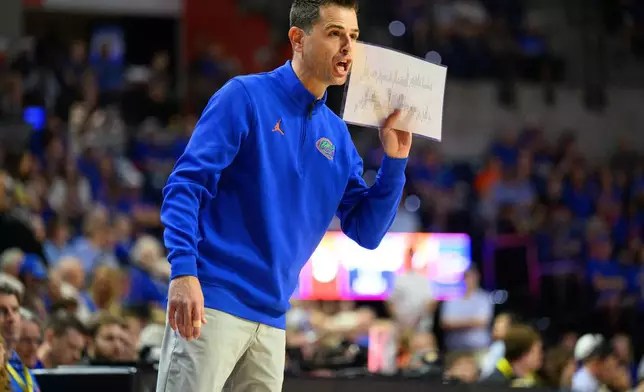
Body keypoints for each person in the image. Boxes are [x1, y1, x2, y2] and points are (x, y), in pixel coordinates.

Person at [155, 0, 411, 391]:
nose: (347, 47)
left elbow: (367, 231)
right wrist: (184, 271)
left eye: (354, 37)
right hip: (212, 302)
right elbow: (184, 187)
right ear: (298, 38)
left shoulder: (338, 137)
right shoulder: (243, 96)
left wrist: (394, 162)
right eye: (335, 34)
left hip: (273, 319)